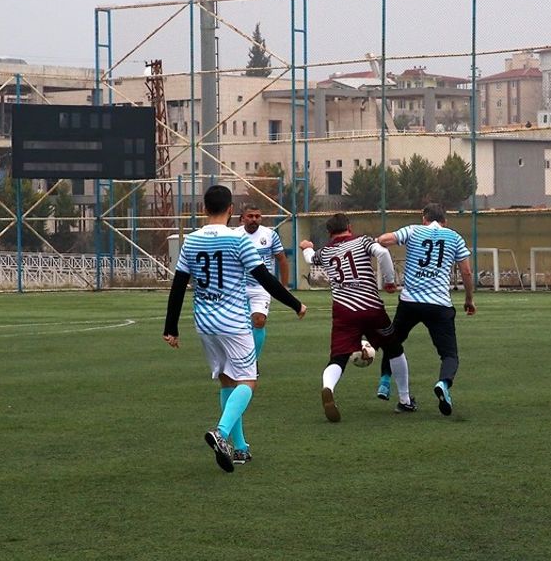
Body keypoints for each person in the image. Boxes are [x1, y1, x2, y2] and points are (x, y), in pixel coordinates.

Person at [162, 185, 307, 472]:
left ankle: (239, 449)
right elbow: (265, 278)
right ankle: (221, 432)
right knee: (248, 381)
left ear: (204, 209)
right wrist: (295, 304)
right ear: (231, 210)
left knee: (228, 380)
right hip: (233, 322)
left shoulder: (190, 241)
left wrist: (171, 327)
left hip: (204, 323)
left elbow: (178, 285)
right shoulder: (238, 241)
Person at [300, 212, 405, 422]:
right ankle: (405, 399)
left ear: (329, 233)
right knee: (394, 349)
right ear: (349, 226)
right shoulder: (363, 241)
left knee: (338, 357)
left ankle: (328, 387)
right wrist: (389, 281)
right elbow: (383, 254)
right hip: (371, 308)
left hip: (343, 311)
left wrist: (307, 245)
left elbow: (311, 258)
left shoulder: (326, 251)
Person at [377, 202, 475, 416]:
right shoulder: (455, 237)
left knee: (392, 342)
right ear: (445, 221)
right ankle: (443, 384)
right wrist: (469, 299)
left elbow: (385, 241)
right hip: (439, 304)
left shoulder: (413, 230)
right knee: (449, 355)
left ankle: (385, 380)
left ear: (424, 218)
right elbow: (466, 273)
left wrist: (376, 243)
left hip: (410, 302)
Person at [239, 203, 290, 357]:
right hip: (238, 286)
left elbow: (281, 259)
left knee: (259, 321)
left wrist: (283, 286)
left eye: (257, 216)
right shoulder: (235, 235)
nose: (254, 219)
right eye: (250, 216)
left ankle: (252, 362)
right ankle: (236, 359)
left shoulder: (270, 235)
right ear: (242, 219)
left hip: (262, 287)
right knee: (238, 326)